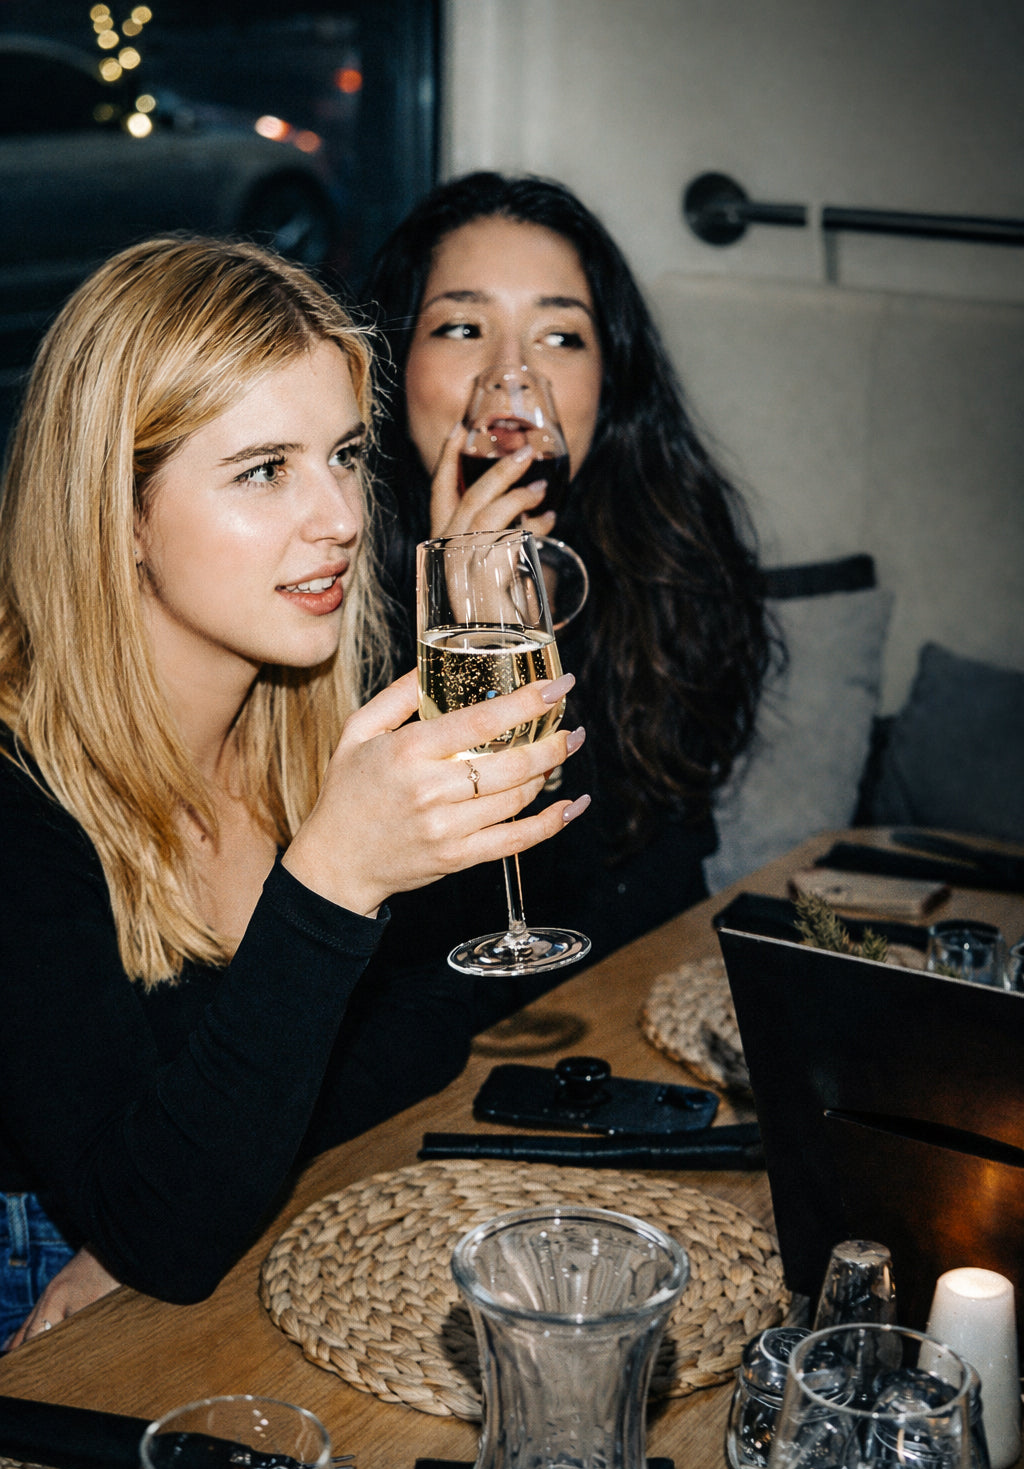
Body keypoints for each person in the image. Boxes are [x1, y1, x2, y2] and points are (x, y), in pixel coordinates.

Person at [0, 235, 589, 1347]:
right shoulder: (20, 803)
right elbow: (163, 1230)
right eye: (265, 469)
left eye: (347, 455)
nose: (342, 517)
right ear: (118, 514)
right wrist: (329, 884)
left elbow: (446, 1017)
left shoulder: (306, 725)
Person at [362, 172, 773, 981]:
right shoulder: (323, 583)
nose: (511, 380)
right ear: (395, 362)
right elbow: (419, 935)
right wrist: (466, 606)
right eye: (463, 327)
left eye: (559, 338)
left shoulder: (670, 549)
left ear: (610, 379)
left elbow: (645, 881)